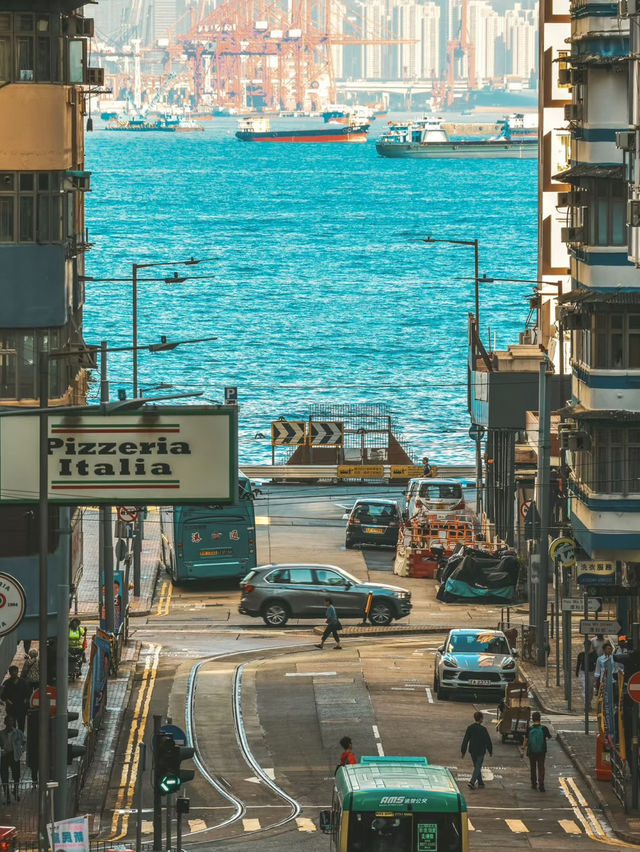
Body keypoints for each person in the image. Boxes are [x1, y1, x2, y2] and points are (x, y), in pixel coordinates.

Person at [461, 711, 493, 790]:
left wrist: (463, 751)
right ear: (481, 719)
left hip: (472, 750)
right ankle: (472, 782)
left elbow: (465, 740)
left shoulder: (470, 728)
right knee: (478, 766)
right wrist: (490, 750)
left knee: (476, 766)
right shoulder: (483, 729)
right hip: (480, 751)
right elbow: (488, 741)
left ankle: (481, 782)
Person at [521, 711, 552, 792]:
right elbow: (549, 737)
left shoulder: (529, 729)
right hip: (541, 751)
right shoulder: (544, 728)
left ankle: (534, 784)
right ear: (540, 718)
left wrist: (522, 750)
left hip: (531, 751)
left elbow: (526, 740)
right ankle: (541, 784)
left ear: (532, 718)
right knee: (541, 768)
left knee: (533, 767)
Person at [0, 716, 25, 804]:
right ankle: (7, 796)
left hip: (14, 755)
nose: (10, 723)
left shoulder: (18, 733)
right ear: (5, 722)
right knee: (4, 776)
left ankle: (15, 791)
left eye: (12, 721)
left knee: (16, 775)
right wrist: (1, 751)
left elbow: (25, 742)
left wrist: (20, 751)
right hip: (4, 756)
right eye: (8, 721)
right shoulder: (1, 733)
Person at [0, 666, 31, 732]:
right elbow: (3, 696)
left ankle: (21, 739)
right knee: (11, 726)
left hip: (21, 707)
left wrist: (25, 702)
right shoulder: (6, 683)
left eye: (15, 671)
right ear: (9, 673)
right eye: (12, 672)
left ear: (17, 672)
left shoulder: (23, 682)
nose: (13, 673)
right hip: (11, 708)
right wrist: (7, 701)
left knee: (21, 726)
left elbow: (28, 693)